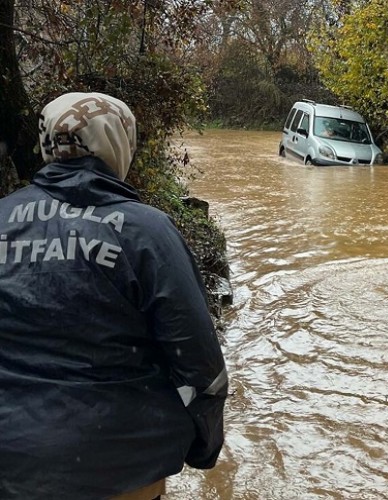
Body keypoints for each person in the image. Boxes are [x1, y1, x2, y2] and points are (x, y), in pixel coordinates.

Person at [0, 92, 228, 499]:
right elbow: (200, 366)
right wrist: (204, 448)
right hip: (123, 465)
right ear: (119, 144)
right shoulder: (147, 231)